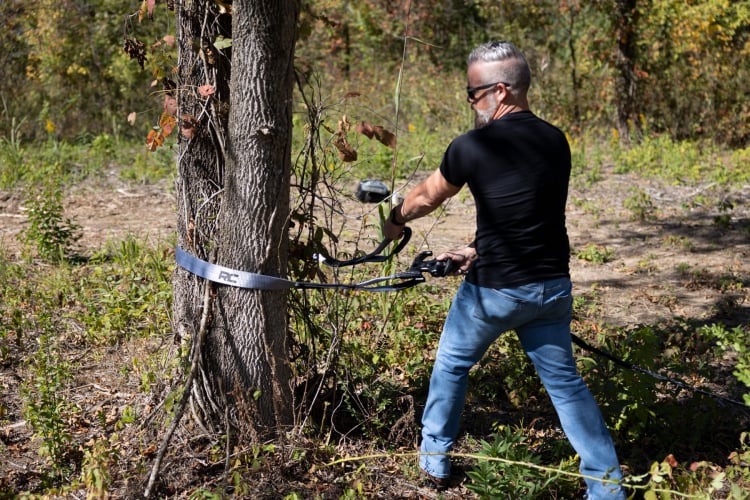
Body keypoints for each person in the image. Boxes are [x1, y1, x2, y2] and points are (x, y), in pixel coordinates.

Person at [382, 41, 626, 499]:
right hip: (551, 289)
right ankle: (607, 487)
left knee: (453, 363)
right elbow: (526, 212)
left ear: (499, 90)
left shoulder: (473, 145)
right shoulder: (555, 140)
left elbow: (427, 197)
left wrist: (395, 220)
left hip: (495, 294)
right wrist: (474, 248)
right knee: (567, 387)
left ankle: (434, 459)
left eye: (472, 93)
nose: (470, 102)